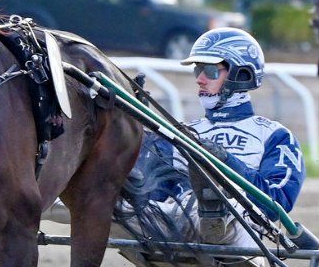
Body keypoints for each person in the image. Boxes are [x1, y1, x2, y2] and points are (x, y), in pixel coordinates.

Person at [117, 28, 304, 247]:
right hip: (175, 219)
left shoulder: (275, 135)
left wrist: (226, 161)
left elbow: (279, 202)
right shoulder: (182, 132)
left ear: (241, 75)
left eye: (211, 71)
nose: (200, 80)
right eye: (198, 71)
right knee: (121, 196)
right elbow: (156, 193)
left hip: (240, 227)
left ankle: (212, 207)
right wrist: (136, 136)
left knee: (214, 211)